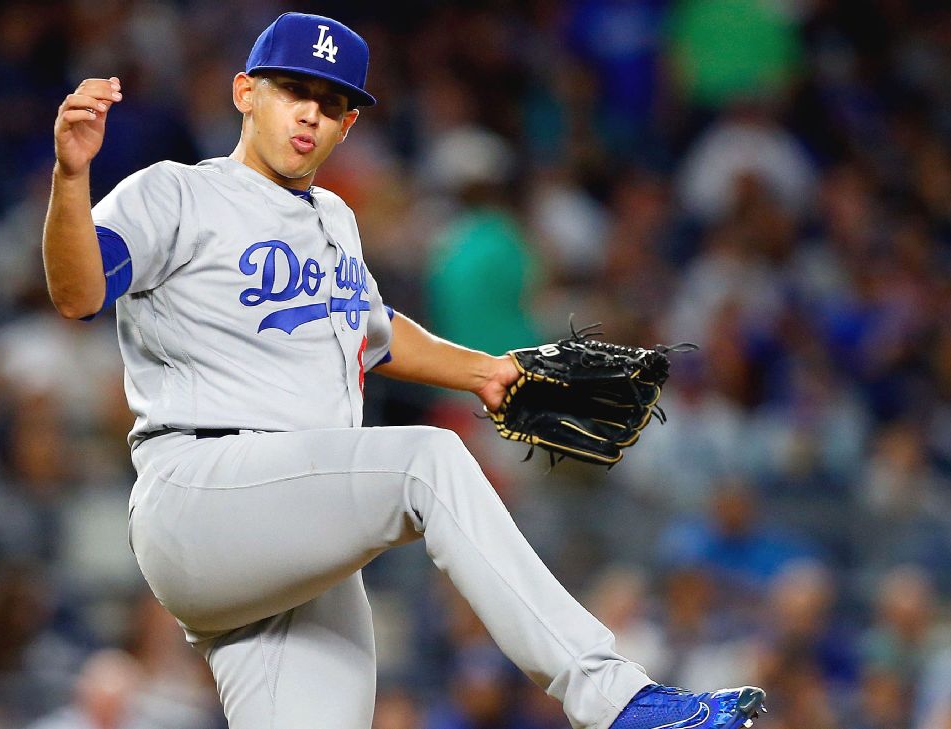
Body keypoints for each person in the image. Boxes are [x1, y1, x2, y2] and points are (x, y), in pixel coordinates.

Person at [42, 11, 766, 729]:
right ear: (245, 92)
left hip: (299, 531)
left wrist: (484, 372)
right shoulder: (176, 192)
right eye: (294, 90)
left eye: (333, 104)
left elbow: (377, 334)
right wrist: (71, 177)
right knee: (429, 458)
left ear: (349, 125)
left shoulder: (336, 218)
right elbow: (78, 291)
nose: (312, 115)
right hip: (203, 493)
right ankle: (614, 699)